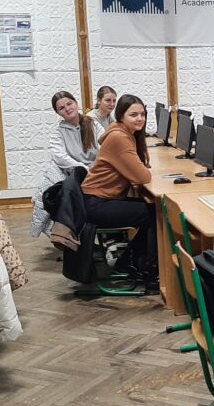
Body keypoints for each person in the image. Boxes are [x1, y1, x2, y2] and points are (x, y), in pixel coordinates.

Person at [81, 94, 157, 284]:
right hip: (96, 204)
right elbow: (143, 176)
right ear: (121, 116)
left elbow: (139, 171)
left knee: (152, 206)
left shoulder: (123, 133)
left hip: (102, 198)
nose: (139, 118)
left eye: (142, 114)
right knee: (155, 213)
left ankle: (138, 260)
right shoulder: (119, 137)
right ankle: (135, 263)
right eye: (133, 115)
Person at [31, 91, 102, 237]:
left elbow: (106, 145)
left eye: (69, 104)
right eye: (62, 108)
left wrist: (97, 164)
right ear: (58, 113)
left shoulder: (93, 124)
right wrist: (82, 167)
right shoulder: (58, 132)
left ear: (76, 103)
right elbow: (60, 157)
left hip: (97, 169)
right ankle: (67, 231)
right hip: (75, 171)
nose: (67, 109)